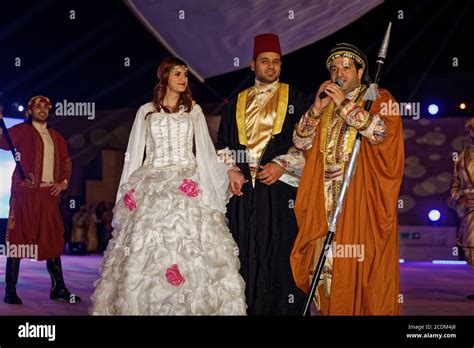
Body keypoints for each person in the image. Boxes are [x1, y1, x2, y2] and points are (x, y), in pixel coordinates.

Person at [90, 57, 247, 315]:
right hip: (152, 183)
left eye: (185, 73)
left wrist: (229, 169)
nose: (183, 78)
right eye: (177, 73)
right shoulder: (146, 111)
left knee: (193, 250)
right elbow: (134, 153)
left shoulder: (193, 111)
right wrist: (125, 195)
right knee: (145, 251)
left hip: (188, 183)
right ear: (164, 77)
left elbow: (206, 152)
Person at [290, 43, 404, 315]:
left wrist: (344, 103)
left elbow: (380, 133)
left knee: (359, 271)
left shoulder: (378, 97)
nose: (338, 72)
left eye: (345, 66)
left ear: (360, 70)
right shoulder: (326, 104)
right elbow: (299, 142)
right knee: (326, 271)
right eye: (333, 68)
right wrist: (316, 109)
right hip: (325, 202)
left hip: (359, 200)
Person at [216, 33, 311, 315]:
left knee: (282, 254)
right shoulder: (235, 102)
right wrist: (232, 170)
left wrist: (282, 164)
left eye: (276, 62)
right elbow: (222, 144)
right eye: (265, 62)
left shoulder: (297, 99)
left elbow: (310, 144)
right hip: (244, 194)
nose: (271, 67)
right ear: (252, 64)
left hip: (282, 193)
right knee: (245, 254)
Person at [0, 96, 81, 304]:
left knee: (53, 239)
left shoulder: (56, 136)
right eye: (38, 106)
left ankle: (58, 288)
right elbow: (3, 142)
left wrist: (63, 183)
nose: (43, 109)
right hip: (24, 194)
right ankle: (10, 290)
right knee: (18, 240)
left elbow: (66, 162)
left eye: (46, 106)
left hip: (48, 196)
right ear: (29, 110)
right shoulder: (21, 130)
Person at [450, 118, 474, 300]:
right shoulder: (462, 156)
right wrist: (458, 197)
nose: (472, 133)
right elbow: (455, 184)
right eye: (470, 130)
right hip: (470, 209)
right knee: (470, 250)